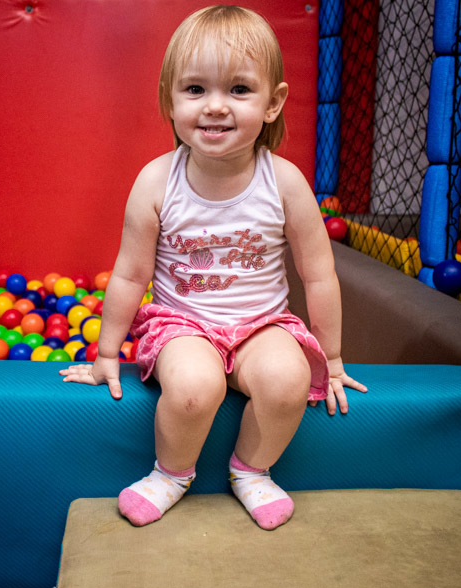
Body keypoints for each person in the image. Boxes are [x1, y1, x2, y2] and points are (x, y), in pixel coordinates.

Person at [60, 5, 367, 530]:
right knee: (195, 387)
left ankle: (252, 471)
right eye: (196, 89)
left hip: (263, 323)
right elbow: (132, 275)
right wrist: (106, 353)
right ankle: (171, 473)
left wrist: (332, 358)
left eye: (239, 90)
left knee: (290, 379)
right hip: (184, 322)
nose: (215, 107)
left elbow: (318, 274)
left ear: (273, 103)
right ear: (169, 99)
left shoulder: (286, 183)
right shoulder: (157, 182)